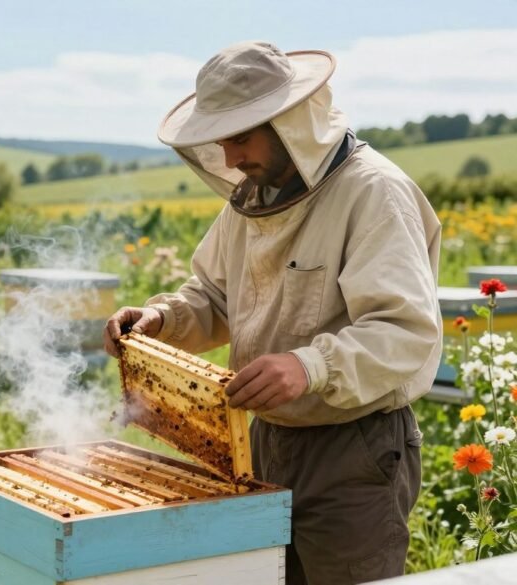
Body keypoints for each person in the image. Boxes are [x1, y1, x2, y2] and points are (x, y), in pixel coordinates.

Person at [103, 41, 441, 585]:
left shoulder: (374, 193)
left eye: (241, 136)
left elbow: (405, 333)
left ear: (290, 123)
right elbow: (215, 296)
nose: (231, 157)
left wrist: (309, 366)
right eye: (221, 140)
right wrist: (160, 320)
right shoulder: (256, 198)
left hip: (352, 449)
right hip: (261, 438)